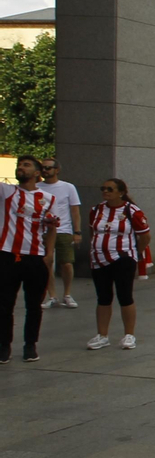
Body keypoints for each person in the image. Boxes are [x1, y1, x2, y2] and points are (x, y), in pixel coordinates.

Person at [0, 155, 61, 363]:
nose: (20, 168)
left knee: (33, 305)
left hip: (35, 258)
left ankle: (30, 345)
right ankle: (3, 346)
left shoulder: (48, 199)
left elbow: (52, 227)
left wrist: (49, 254)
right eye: (19, 165)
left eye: (26, 165)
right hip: (7, 255)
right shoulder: (7, 192)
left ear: (37, 173)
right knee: (4, 304)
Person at [84, 178, 149, 350]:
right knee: (103, 297)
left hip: (123, 258)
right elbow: (92, 231)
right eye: (103, 188)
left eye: (110, 189)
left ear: (120, 192)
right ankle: (102, 335)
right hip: (99, 259)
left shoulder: (131, 211)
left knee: (125, 296)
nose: (105, 192)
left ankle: (129, 335)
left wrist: (135, 254)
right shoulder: (96, 210)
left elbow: (145, 236)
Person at [38, 158, 82, 310]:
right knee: (47, 263)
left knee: (67, 263)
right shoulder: (37, 187)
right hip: (42, 231)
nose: (45, 171)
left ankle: (67, 294)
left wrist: (77, 232)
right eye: (43, 168)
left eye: (48, 168)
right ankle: (52, 296)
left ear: (57, 170)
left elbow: (75, 211)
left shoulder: (68, 187)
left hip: (63, 230)